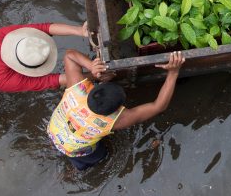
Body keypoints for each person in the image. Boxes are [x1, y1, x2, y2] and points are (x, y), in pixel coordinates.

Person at [48, 51, 185, 171]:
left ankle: (60, 149)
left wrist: (92, 68)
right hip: (74, 149)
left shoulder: (77, 88)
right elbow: (159, 106)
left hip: (54, 130)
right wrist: (173, 73)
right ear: (117, 110)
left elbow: (69, 55)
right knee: (99, 156)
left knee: (68, 141)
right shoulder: (114, 120)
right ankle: (80, 167)